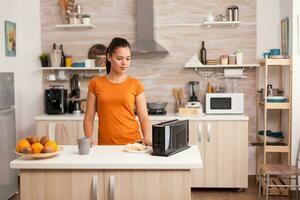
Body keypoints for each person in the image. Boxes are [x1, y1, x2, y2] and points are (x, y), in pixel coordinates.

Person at [83, 37, 151, 146]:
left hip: (133, 145)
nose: (124, 63)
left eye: (128, 59)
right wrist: (88, 138)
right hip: (105, 146)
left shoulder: (136, 84)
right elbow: (89, 117)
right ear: (109, 57)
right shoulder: (95, 84)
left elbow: (143, 117)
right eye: (119, 58)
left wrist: (147, 137)